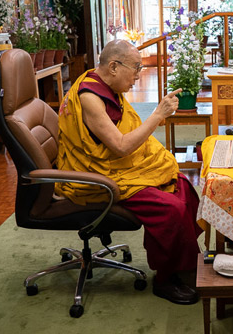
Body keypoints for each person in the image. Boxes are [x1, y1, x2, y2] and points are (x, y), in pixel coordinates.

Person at [55, 40, 202, 305]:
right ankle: (165, 279)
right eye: (135, 69)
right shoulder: (89, 98)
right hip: (98, 177)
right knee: (170, 208)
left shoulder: (105, 86)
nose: (137, 76)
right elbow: (121, 146)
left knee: (181, 185)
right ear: (113, 66)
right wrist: (157, 115)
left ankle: (186, 265)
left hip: (114, 166)